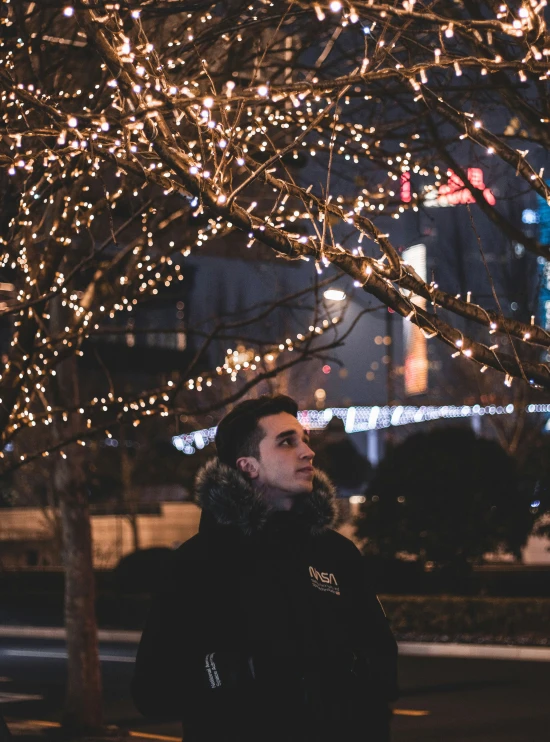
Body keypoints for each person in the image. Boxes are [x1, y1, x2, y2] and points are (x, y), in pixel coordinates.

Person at [131, 395, 398, 742]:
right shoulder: (199, 562)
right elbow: (151, 690)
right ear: (248, 466)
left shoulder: (337, 554)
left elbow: (384, 665)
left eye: (305, 439)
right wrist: (235, 671)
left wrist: (344, 670)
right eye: (287, 442)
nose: (307, 451)